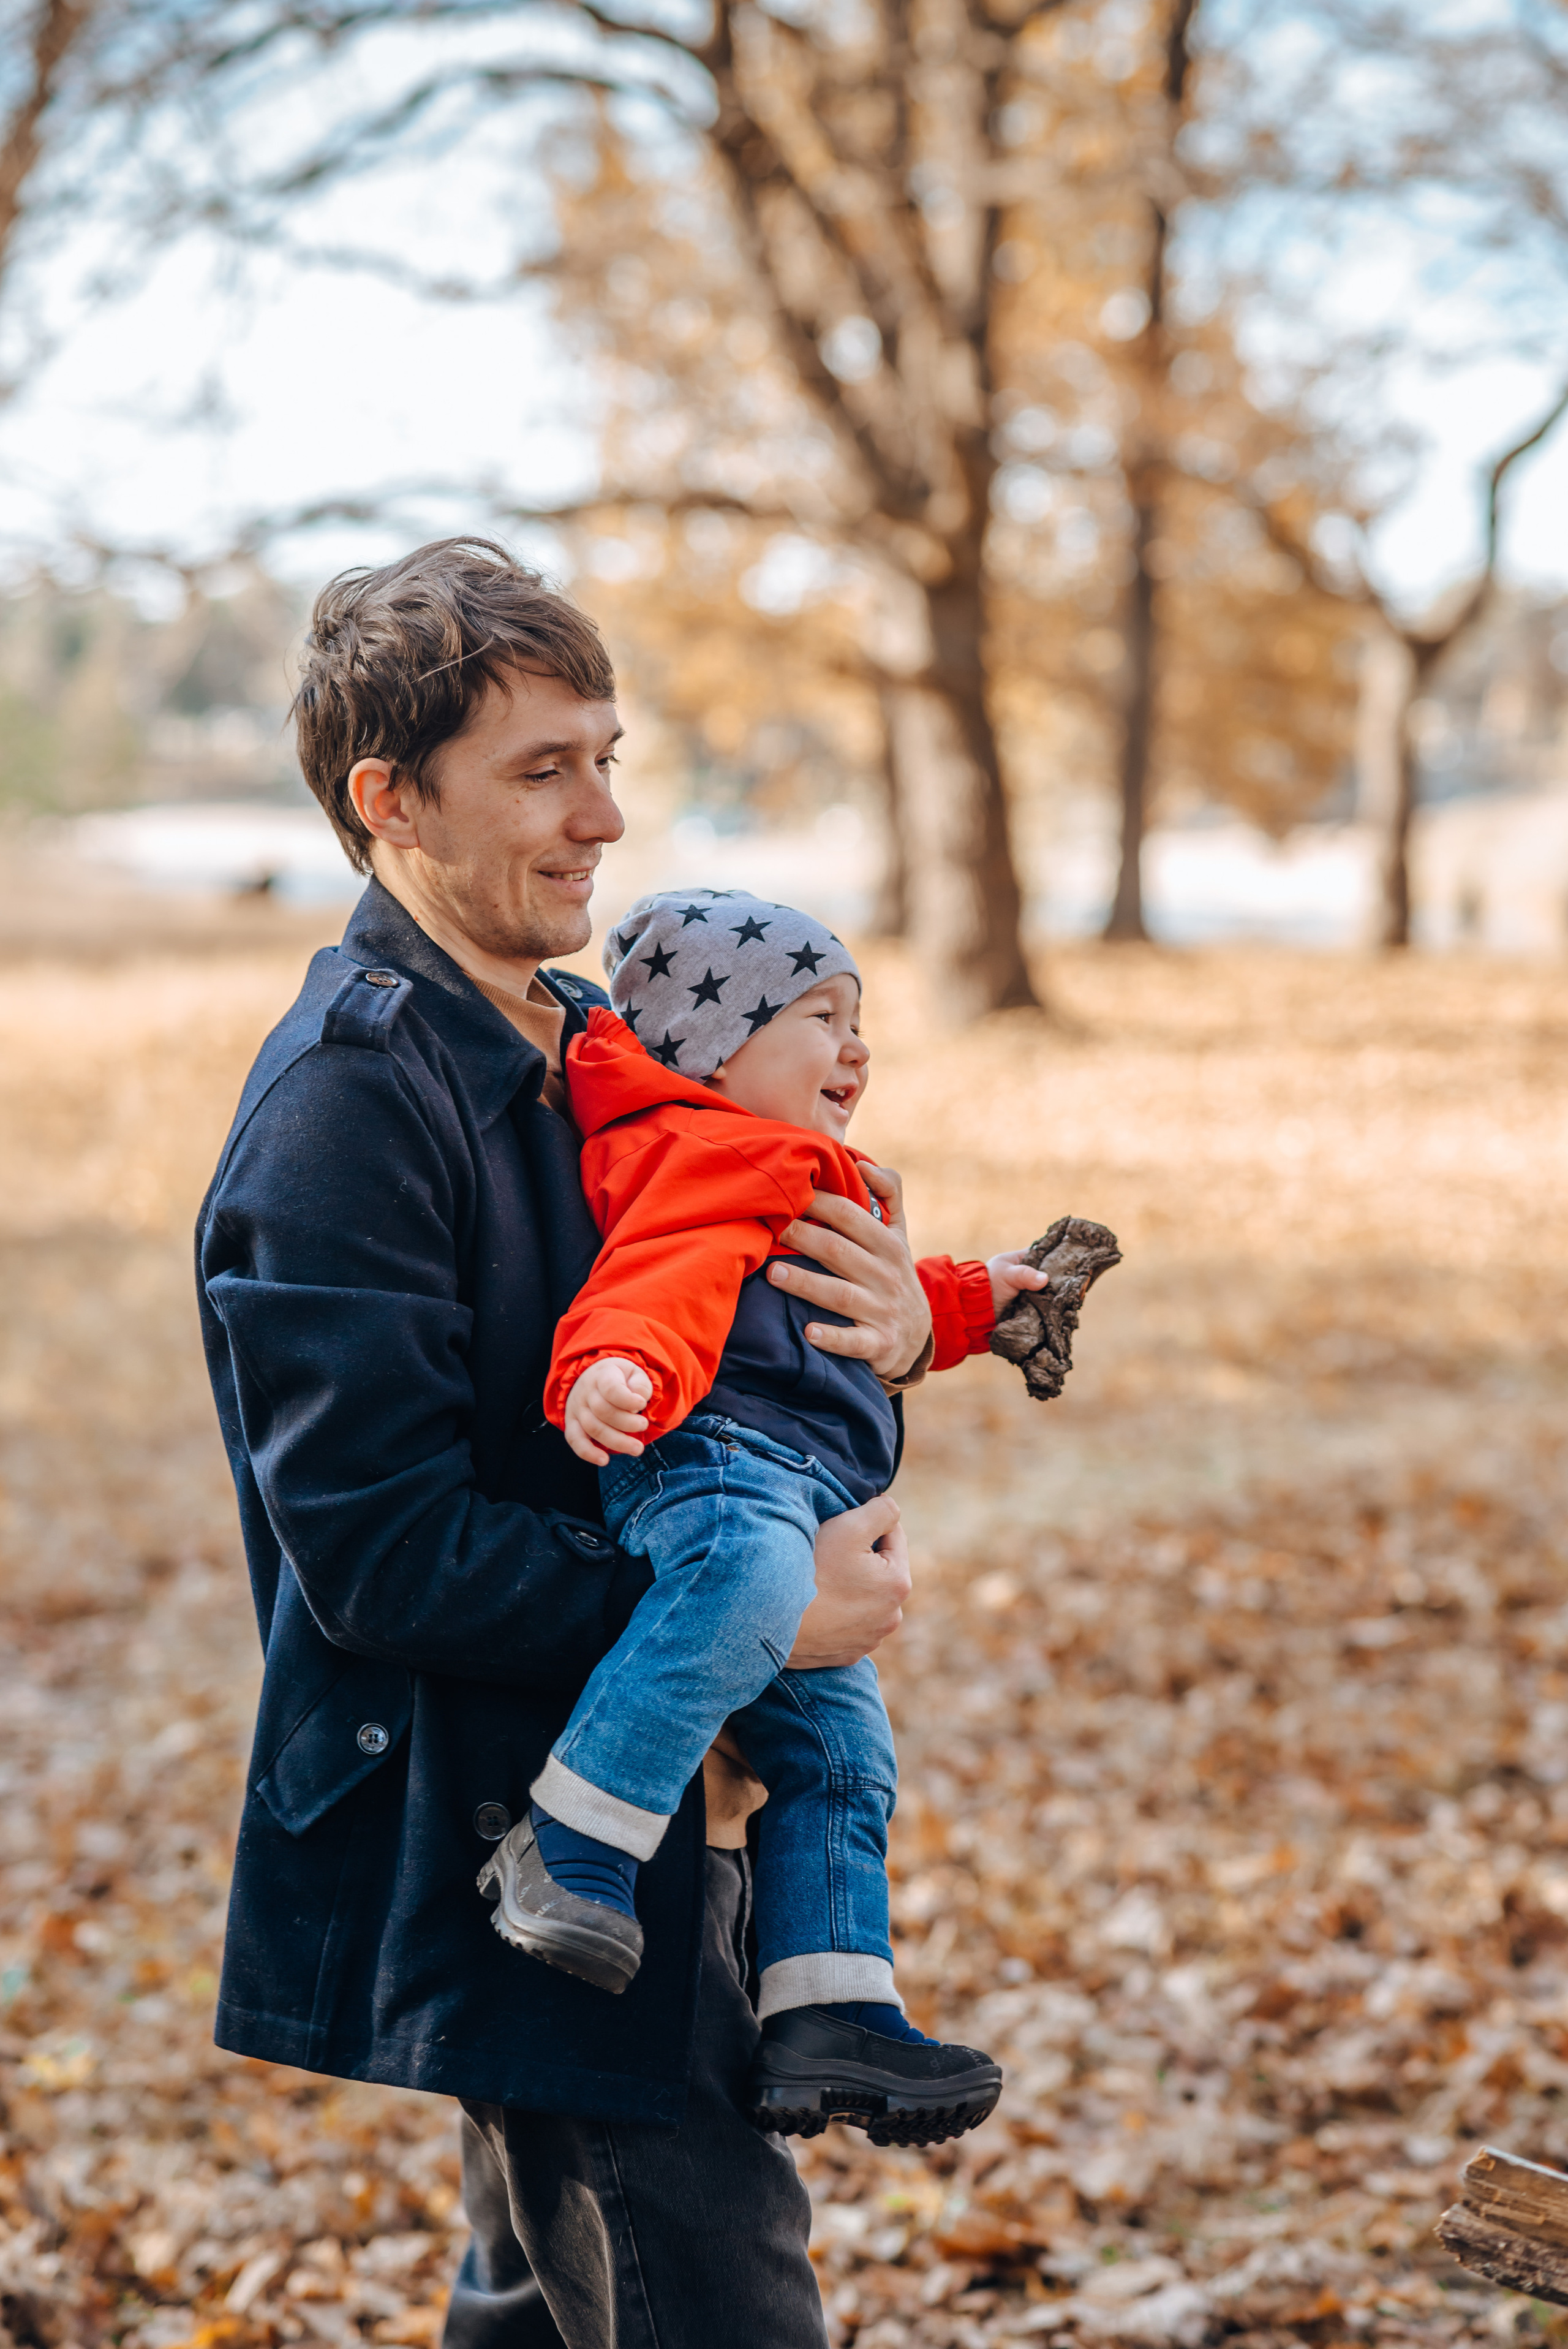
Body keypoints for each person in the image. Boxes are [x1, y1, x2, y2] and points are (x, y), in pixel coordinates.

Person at [480, 887, 1044, 2153]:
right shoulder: (707, 1150)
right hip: (712, 1467)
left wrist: (978, 1303)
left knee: (843, 1758)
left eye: (861, 1023)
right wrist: (610, 1375)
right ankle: (568, 1842)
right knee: (740, 1587)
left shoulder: (790, 1163)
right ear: (710, 1042)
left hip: (804, 1488)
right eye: (821, 1016)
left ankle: (828, 2004)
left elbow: (838, 1307)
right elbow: (658, 1285)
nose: (856, 1050)